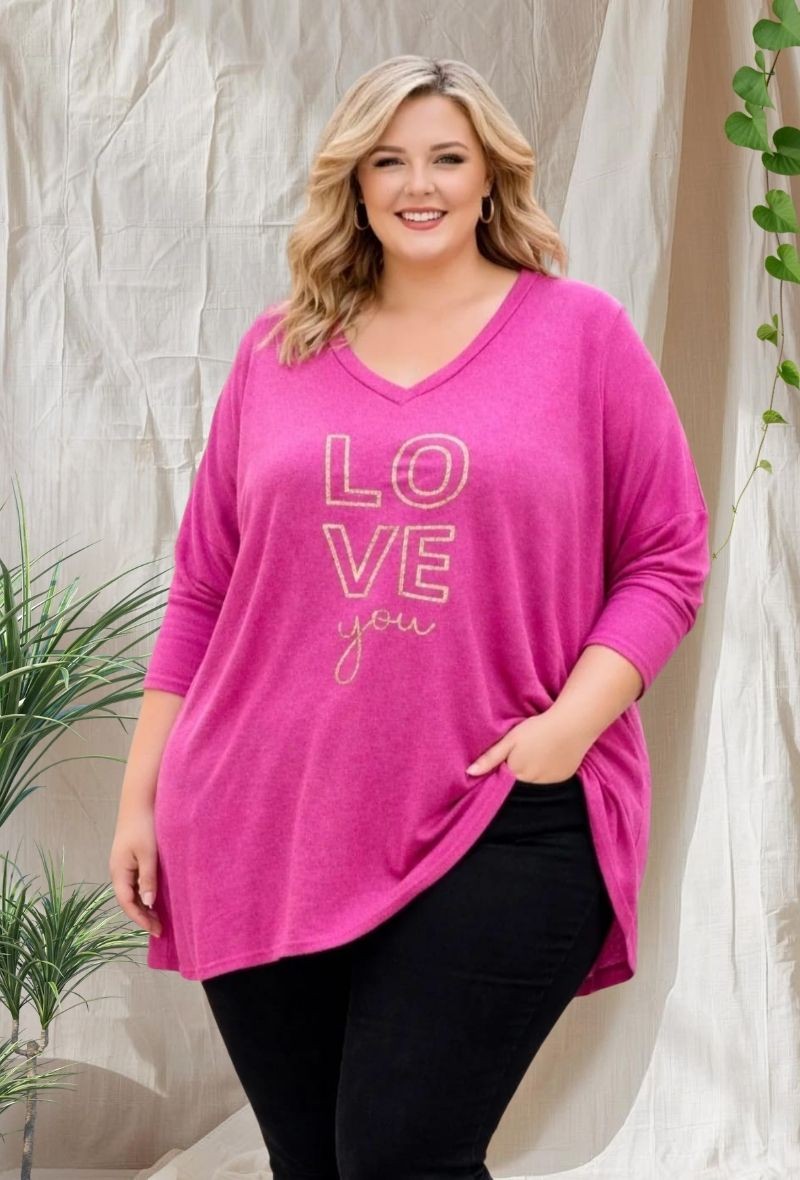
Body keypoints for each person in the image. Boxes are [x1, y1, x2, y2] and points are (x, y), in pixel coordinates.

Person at [109, 54, 711, 1180]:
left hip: (504, 809)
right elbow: (202, 587)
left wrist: (567, 729)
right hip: (265, 814)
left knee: (400, 1154)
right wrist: (143, 794)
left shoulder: (580, 337)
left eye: (446, 158)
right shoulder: (278, 350)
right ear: (354, 181)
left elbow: (667, 556)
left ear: (489, 179)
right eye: (388, 160)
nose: (418, 184)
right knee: (313, 1162)